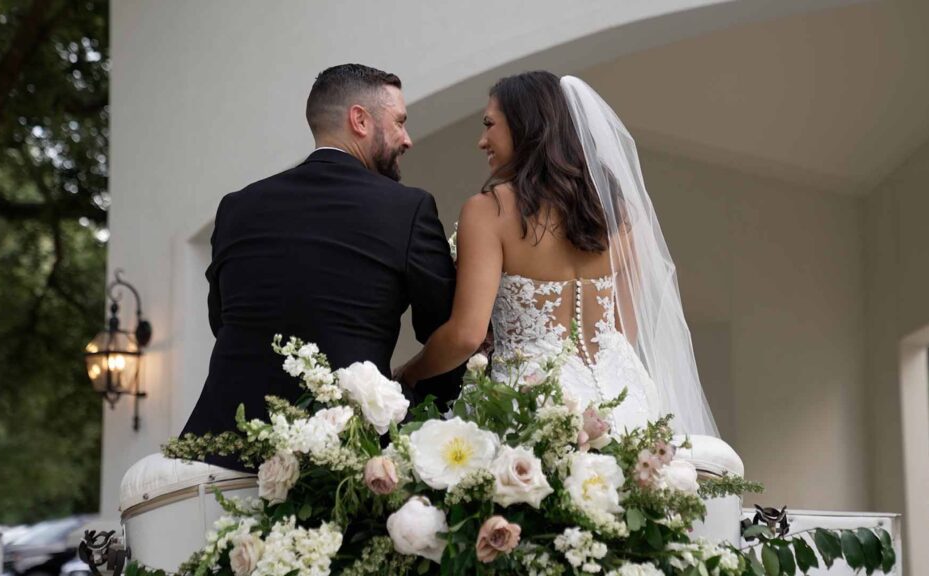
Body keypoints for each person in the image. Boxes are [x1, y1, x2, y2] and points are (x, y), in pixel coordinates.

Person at [394, 71, 718, 437]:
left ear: (525, 125)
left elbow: (467, 335)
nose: (481, 141)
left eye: (489, 125)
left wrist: (407, 374)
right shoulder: (620, 212)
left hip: (532, 409)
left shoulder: (489, 211)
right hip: (626, 407)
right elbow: (623, 331)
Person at [180, 64, 461, 471]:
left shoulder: (237, 207)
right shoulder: (407, 209)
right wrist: (415, 409)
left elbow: (222, 321)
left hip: (220, 451)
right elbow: (443, 331)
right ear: (360, 120)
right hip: (340, 460)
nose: (407, 139)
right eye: (399, 122)